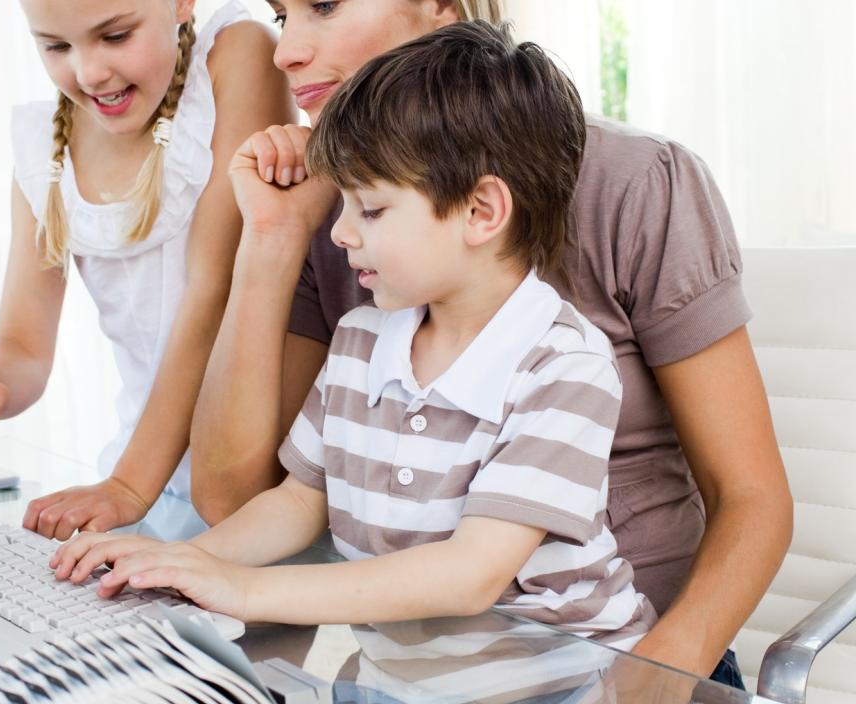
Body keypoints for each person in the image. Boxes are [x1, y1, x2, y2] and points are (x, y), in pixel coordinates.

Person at [189, 0, 790, 685]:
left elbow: (752, 496)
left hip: (608, 673)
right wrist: (271, 236)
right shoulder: (358, 292)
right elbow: (273, 499)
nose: (284, 52)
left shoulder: (576, 326)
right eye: (280, 15)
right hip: (416, 672)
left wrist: (661, 675)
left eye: (324, 5)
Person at [49, 21, 657, 649]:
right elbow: (298, 502)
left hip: (571, 676)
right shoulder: (362, 339)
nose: (340, 232)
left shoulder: (565, 365)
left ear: (481, 212)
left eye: (371, 209)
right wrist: (181, 561)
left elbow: (469, 576)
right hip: (418, 676)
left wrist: (243, 589)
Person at [0, 0, 293, 541]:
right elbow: (22, 346)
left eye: (116, 36)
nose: (89, 73)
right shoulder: (45, 151)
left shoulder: (238, 53)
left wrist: (129, 485)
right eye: (57, 46)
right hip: (151, 488)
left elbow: (215, 289)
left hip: (265, 487)